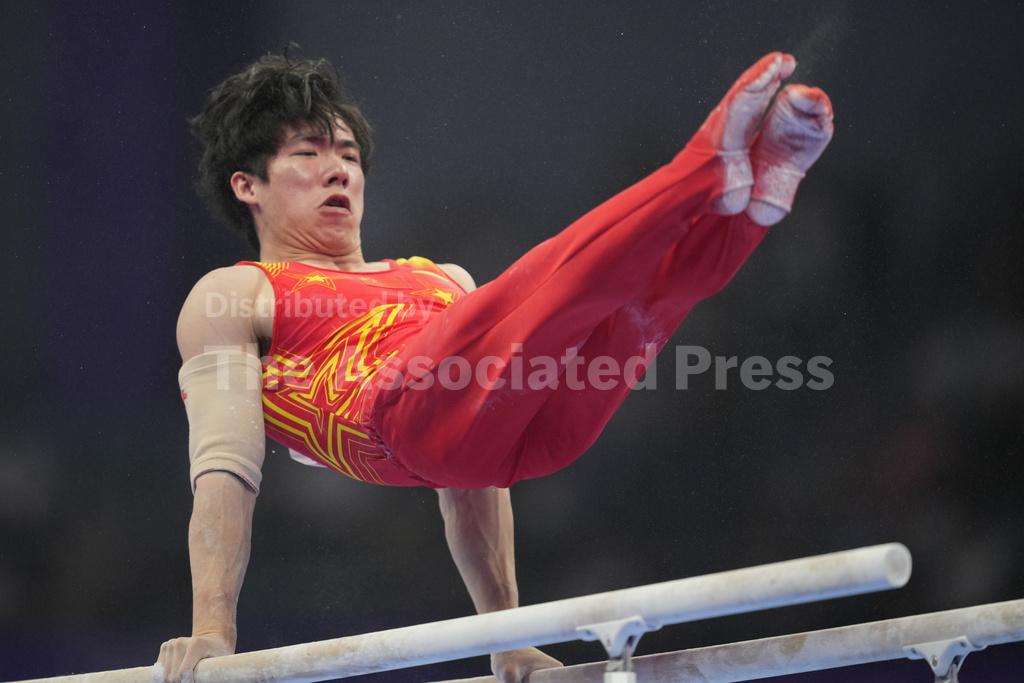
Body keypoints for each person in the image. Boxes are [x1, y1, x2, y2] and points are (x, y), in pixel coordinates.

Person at [156, 51, 833, 683]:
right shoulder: (235, 294)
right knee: (564, 278)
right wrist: (213, 630)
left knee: (639, 306)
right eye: (309, 153)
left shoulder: (440, 278)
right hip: (395, 410)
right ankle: (704, 168)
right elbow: (224, 468)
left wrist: (508, 635)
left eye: (350, 156)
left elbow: (471, 475)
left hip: (520, 440)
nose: (340, 172)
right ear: (247, 184)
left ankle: (750, 202)